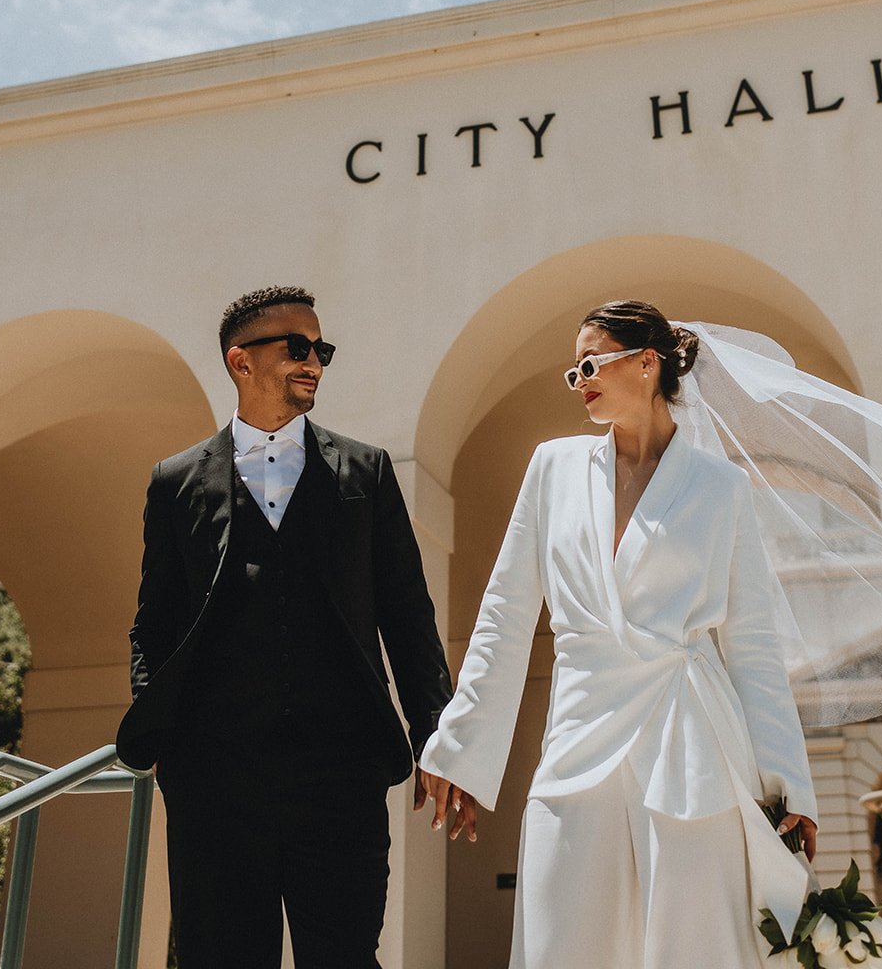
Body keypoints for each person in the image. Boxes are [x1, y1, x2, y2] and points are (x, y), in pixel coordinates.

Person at [420, 300, 820, 969]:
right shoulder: (552, 468)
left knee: (695, 947)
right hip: (579, 731)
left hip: (691, 739)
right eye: (570, 372)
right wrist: (457, 743)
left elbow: (752, 647)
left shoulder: (720, 488)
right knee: (561, 942)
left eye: (590, 362)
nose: (579, 380)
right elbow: (505, 615)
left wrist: (790, 785)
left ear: (646, 362)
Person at [116, 285, 453, 969]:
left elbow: (408, 615)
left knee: (346, 954)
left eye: (320, 348)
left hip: (343, 770)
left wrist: (437, 737)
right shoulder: (175, 480)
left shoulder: (365, 470)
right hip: (214, 775)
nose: (314, 362)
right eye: (296, 347)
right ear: (240, 362)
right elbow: (154, 621)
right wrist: (160, 732)